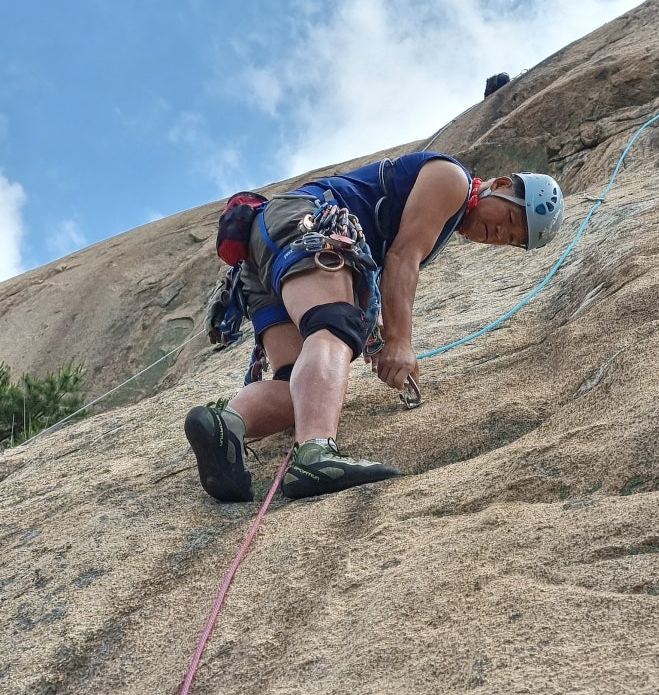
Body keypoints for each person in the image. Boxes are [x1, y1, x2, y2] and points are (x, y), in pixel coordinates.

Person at [184, 150, 564, 502]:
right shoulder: (453, 180)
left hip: (264, 253)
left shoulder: (449, 213)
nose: (500, 234)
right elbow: (401, 259)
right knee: (332, 330)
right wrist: (399, 340)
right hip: (308, 223)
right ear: (499, 185)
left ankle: (225, 422)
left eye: (512, 240)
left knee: (294, 383)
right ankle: (316, 454)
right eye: (510, 219)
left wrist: (378, 337)